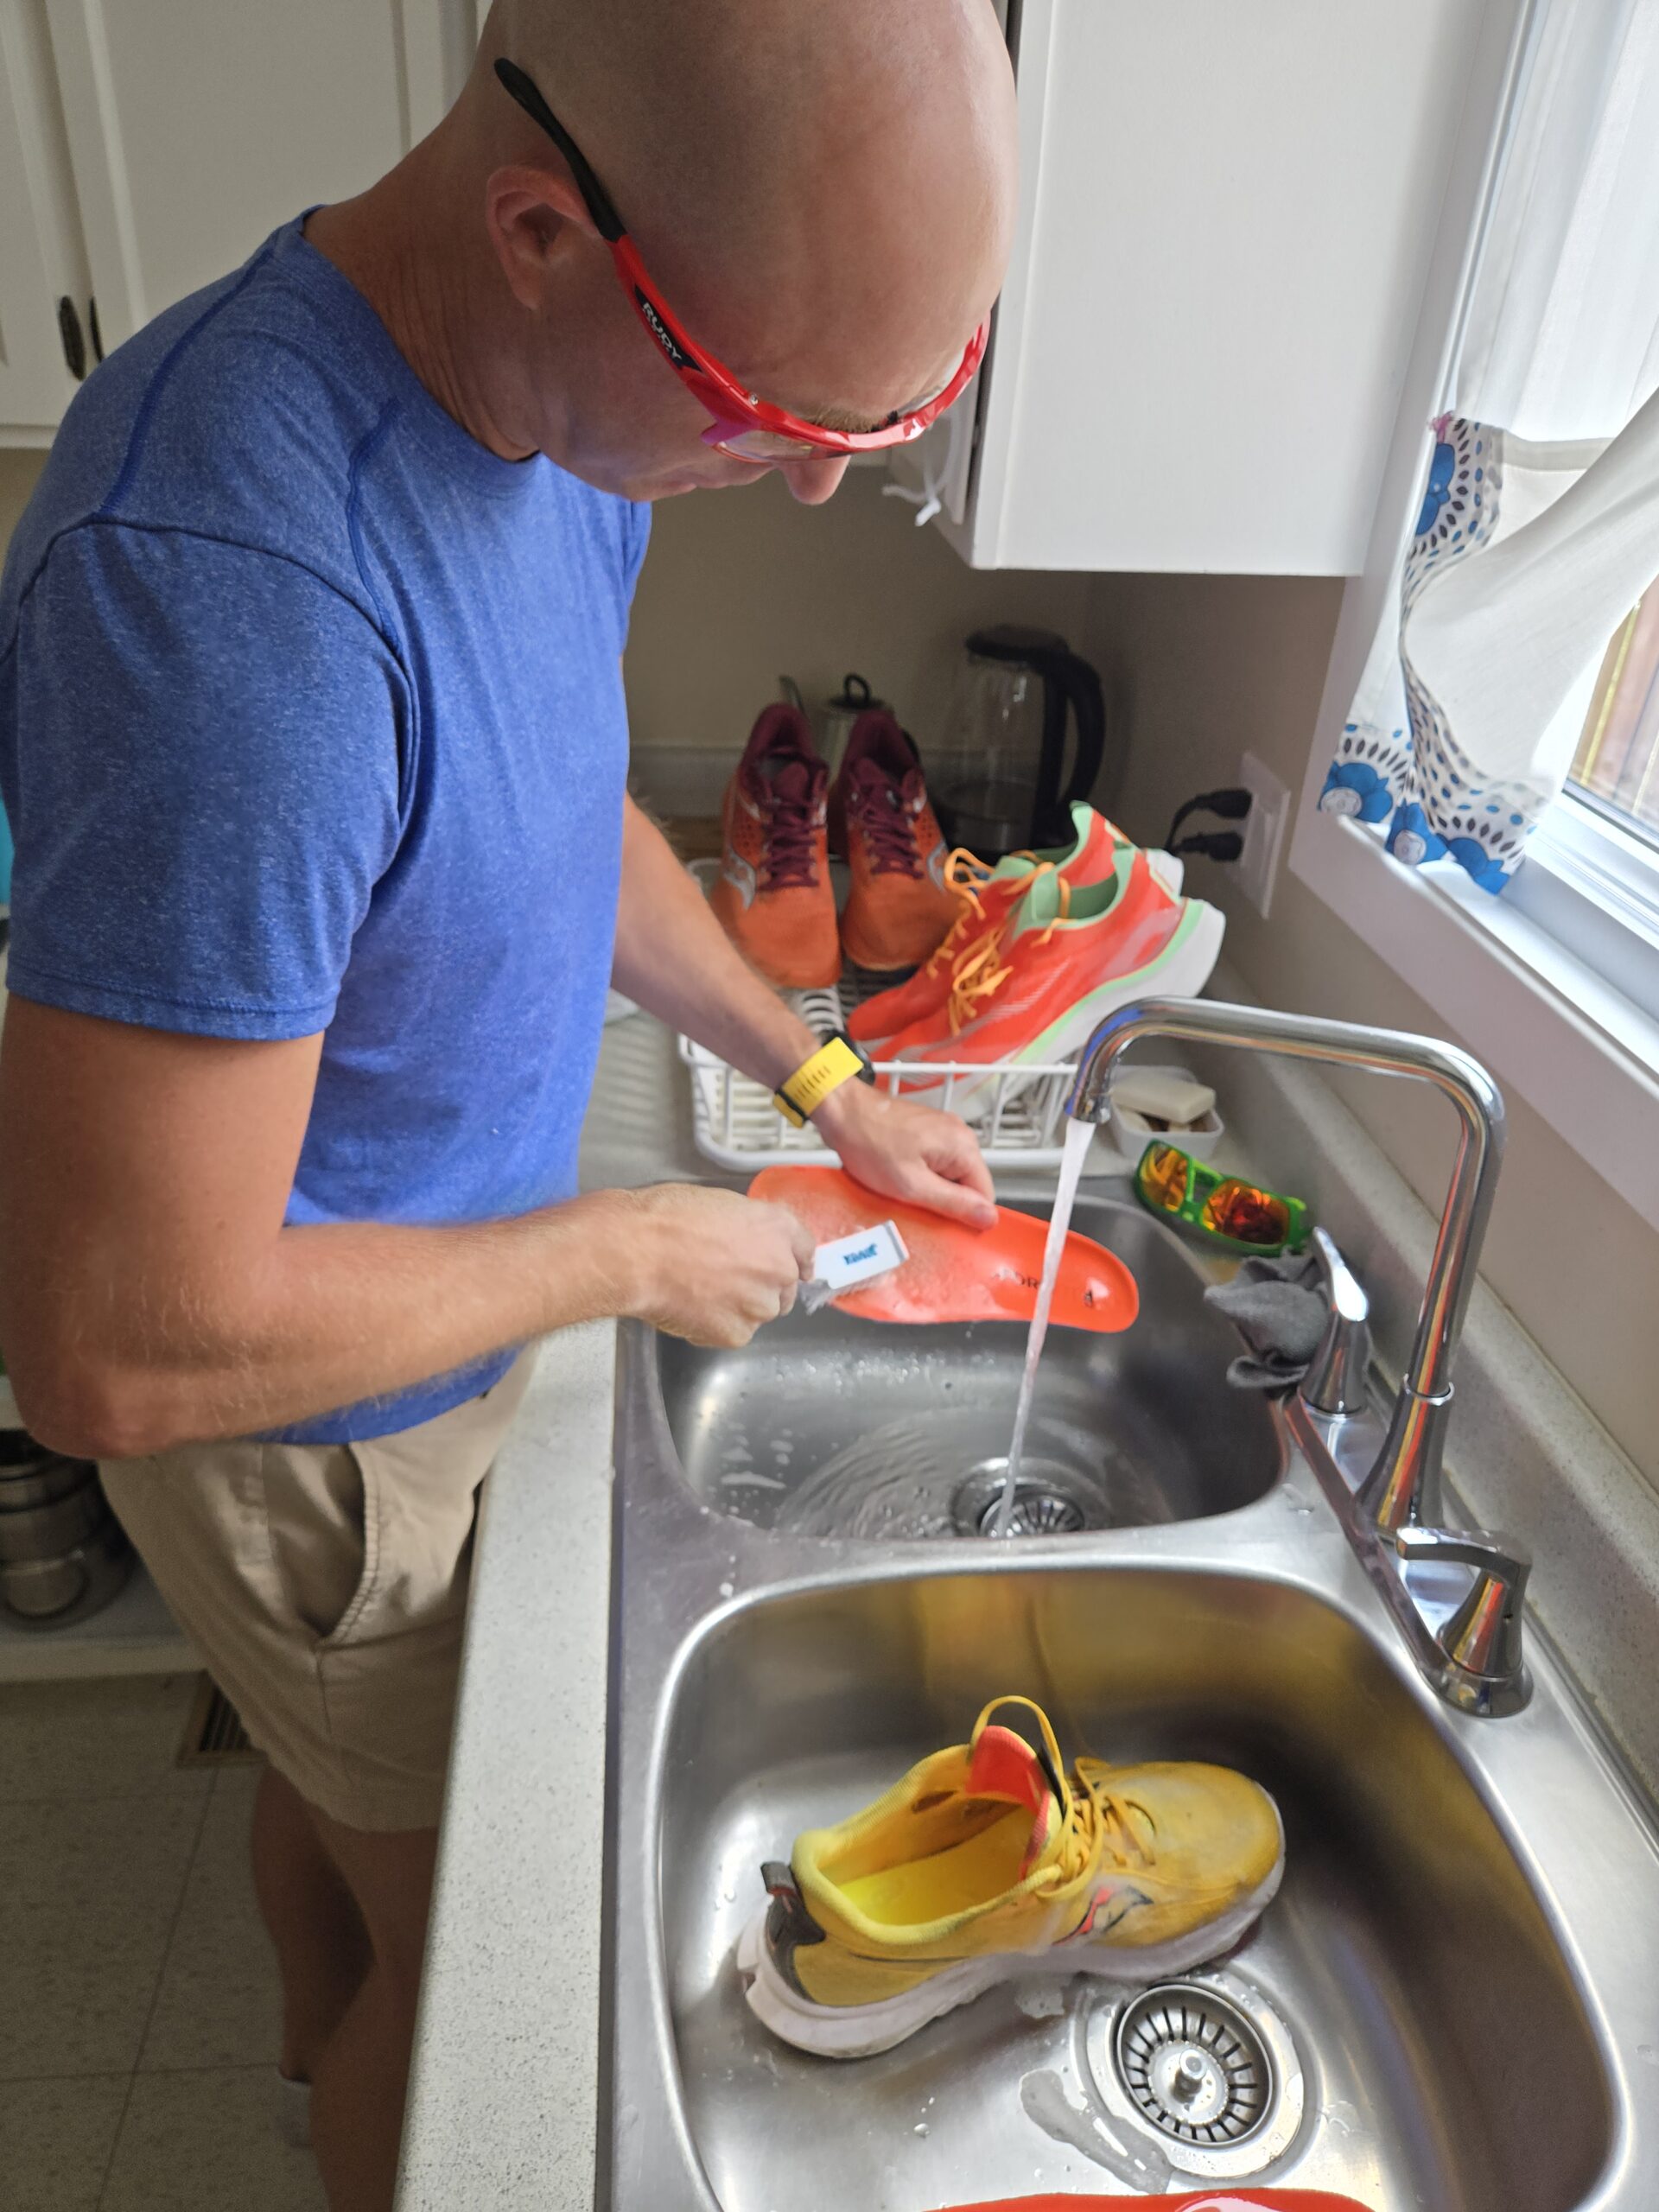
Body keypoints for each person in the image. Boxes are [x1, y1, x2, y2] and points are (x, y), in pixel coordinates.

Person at [0, 2, 1019, 2205]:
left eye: (881, 413)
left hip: (432, 1319)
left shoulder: (562, 423)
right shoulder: (233, 589)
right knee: (464, 1955)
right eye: (771, 409)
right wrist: (628, 1245)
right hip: (306, 1427)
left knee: (337, 1794)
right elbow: (113, 1345)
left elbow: (561, 813)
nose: (815, 479)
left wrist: (818, 1070)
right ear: (546, 229)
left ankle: (303, 2050)